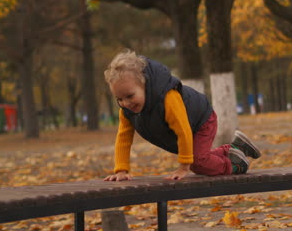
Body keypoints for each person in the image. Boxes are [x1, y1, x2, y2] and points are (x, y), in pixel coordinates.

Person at [103, 50, 261, 181]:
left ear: (145, 84)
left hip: (202, 120)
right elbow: (123, 138)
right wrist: (121, 170)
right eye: (119, 99)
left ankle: (236, 165)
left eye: (130, 96)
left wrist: (184, 166)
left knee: (197, 163)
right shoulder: (127, 111)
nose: (125, 103)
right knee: (199, 159)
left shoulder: (167, 99)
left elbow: (183, 130)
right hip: (189, 126)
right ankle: (235, 148)